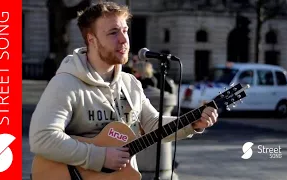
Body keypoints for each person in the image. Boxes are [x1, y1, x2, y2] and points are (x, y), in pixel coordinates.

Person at [29, 1, 218, 179]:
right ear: (91, 39)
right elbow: (43, 138)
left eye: (125, 30)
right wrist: (99, 157)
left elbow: (152, 124)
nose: (123, 40)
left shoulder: (130, 83)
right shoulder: (66, 83)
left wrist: (192, 123)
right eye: (113, 33)